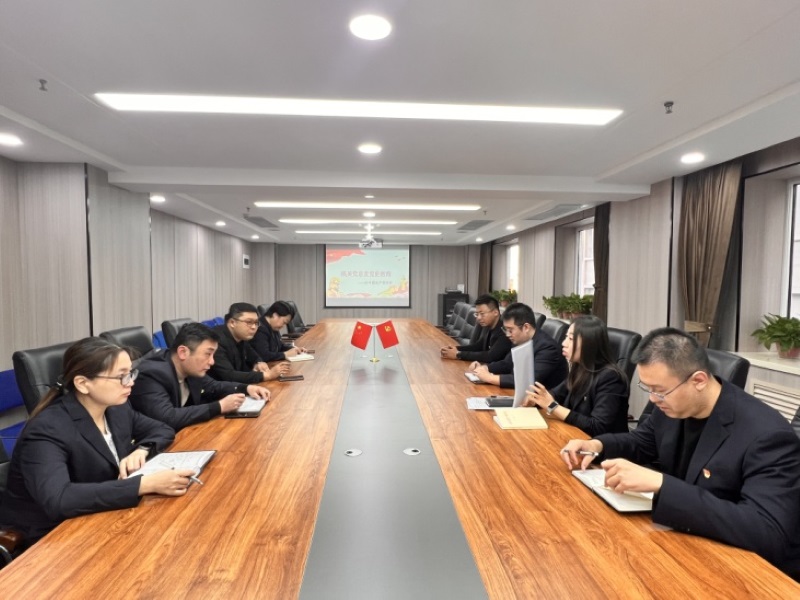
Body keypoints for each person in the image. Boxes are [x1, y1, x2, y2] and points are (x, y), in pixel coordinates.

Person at [561, 328, 800, 580]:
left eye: (659, 390)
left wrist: (662, 485)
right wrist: (597, 446)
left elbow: (766, 531)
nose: (653, 399)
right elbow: (641, 442)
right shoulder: (674, 405)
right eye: (648, 388)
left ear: (699, 380)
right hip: (688, 544)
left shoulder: (766, 435)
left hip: (748, 572)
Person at [0, 338, 193, 547]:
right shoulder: (47, 428)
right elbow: (60, 499)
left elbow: (162, 429)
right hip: (51, 536)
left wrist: (142, 450)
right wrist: (144, 484)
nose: (130, 382)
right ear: (83, 384)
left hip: (100, 515)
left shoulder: (117, 408)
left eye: (130, 373)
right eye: (121, 376)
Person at [130, 322, 271, 431]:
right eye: (207, 354)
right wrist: (219, 407)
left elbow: (213, 386)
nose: (212, 362)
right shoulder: (151, 374)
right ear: (183, 352)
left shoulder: (189, 368)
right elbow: (168, 417)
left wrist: (247, 388)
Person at [524, 315, 628, 436]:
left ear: (589, 343)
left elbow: (598, 426)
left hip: (598, 444)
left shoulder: (611, 378)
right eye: (566, 337)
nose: (564, 343)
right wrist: (536, 400)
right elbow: (557, 394)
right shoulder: (580, 366)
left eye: (571, 339)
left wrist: (552, 406)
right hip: (574, 434)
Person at [467, 302, 567, 390]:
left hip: (542, 402)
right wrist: (485, 368)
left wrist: (490, 378)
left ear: (526, 327)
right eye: (505, 330)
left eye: (510, 330)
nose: (507, 334)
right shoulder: (521, 339)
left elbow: (528, 381)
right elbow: (507, 363)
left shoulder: (548, 348)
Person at [209, 302, 289, 384]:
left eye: (256, 323)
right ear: (232, 322)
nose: (254, 327)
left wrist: (258, 362)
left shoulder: (241, 336)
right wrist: (267, 375)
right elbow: (229, 375)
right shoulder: (215, 340)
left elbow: (252, 354)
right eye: (249, 322)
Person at [440, 294, 512, 363]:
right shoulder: (488, 325)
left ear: (495, 312)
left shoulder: (505, 330)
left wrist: (458, 354)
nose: (478, 318)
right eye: (477, 314)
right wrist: (456, 349)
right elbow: (478, 346)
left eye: (482, 314)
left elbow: (490, 356)